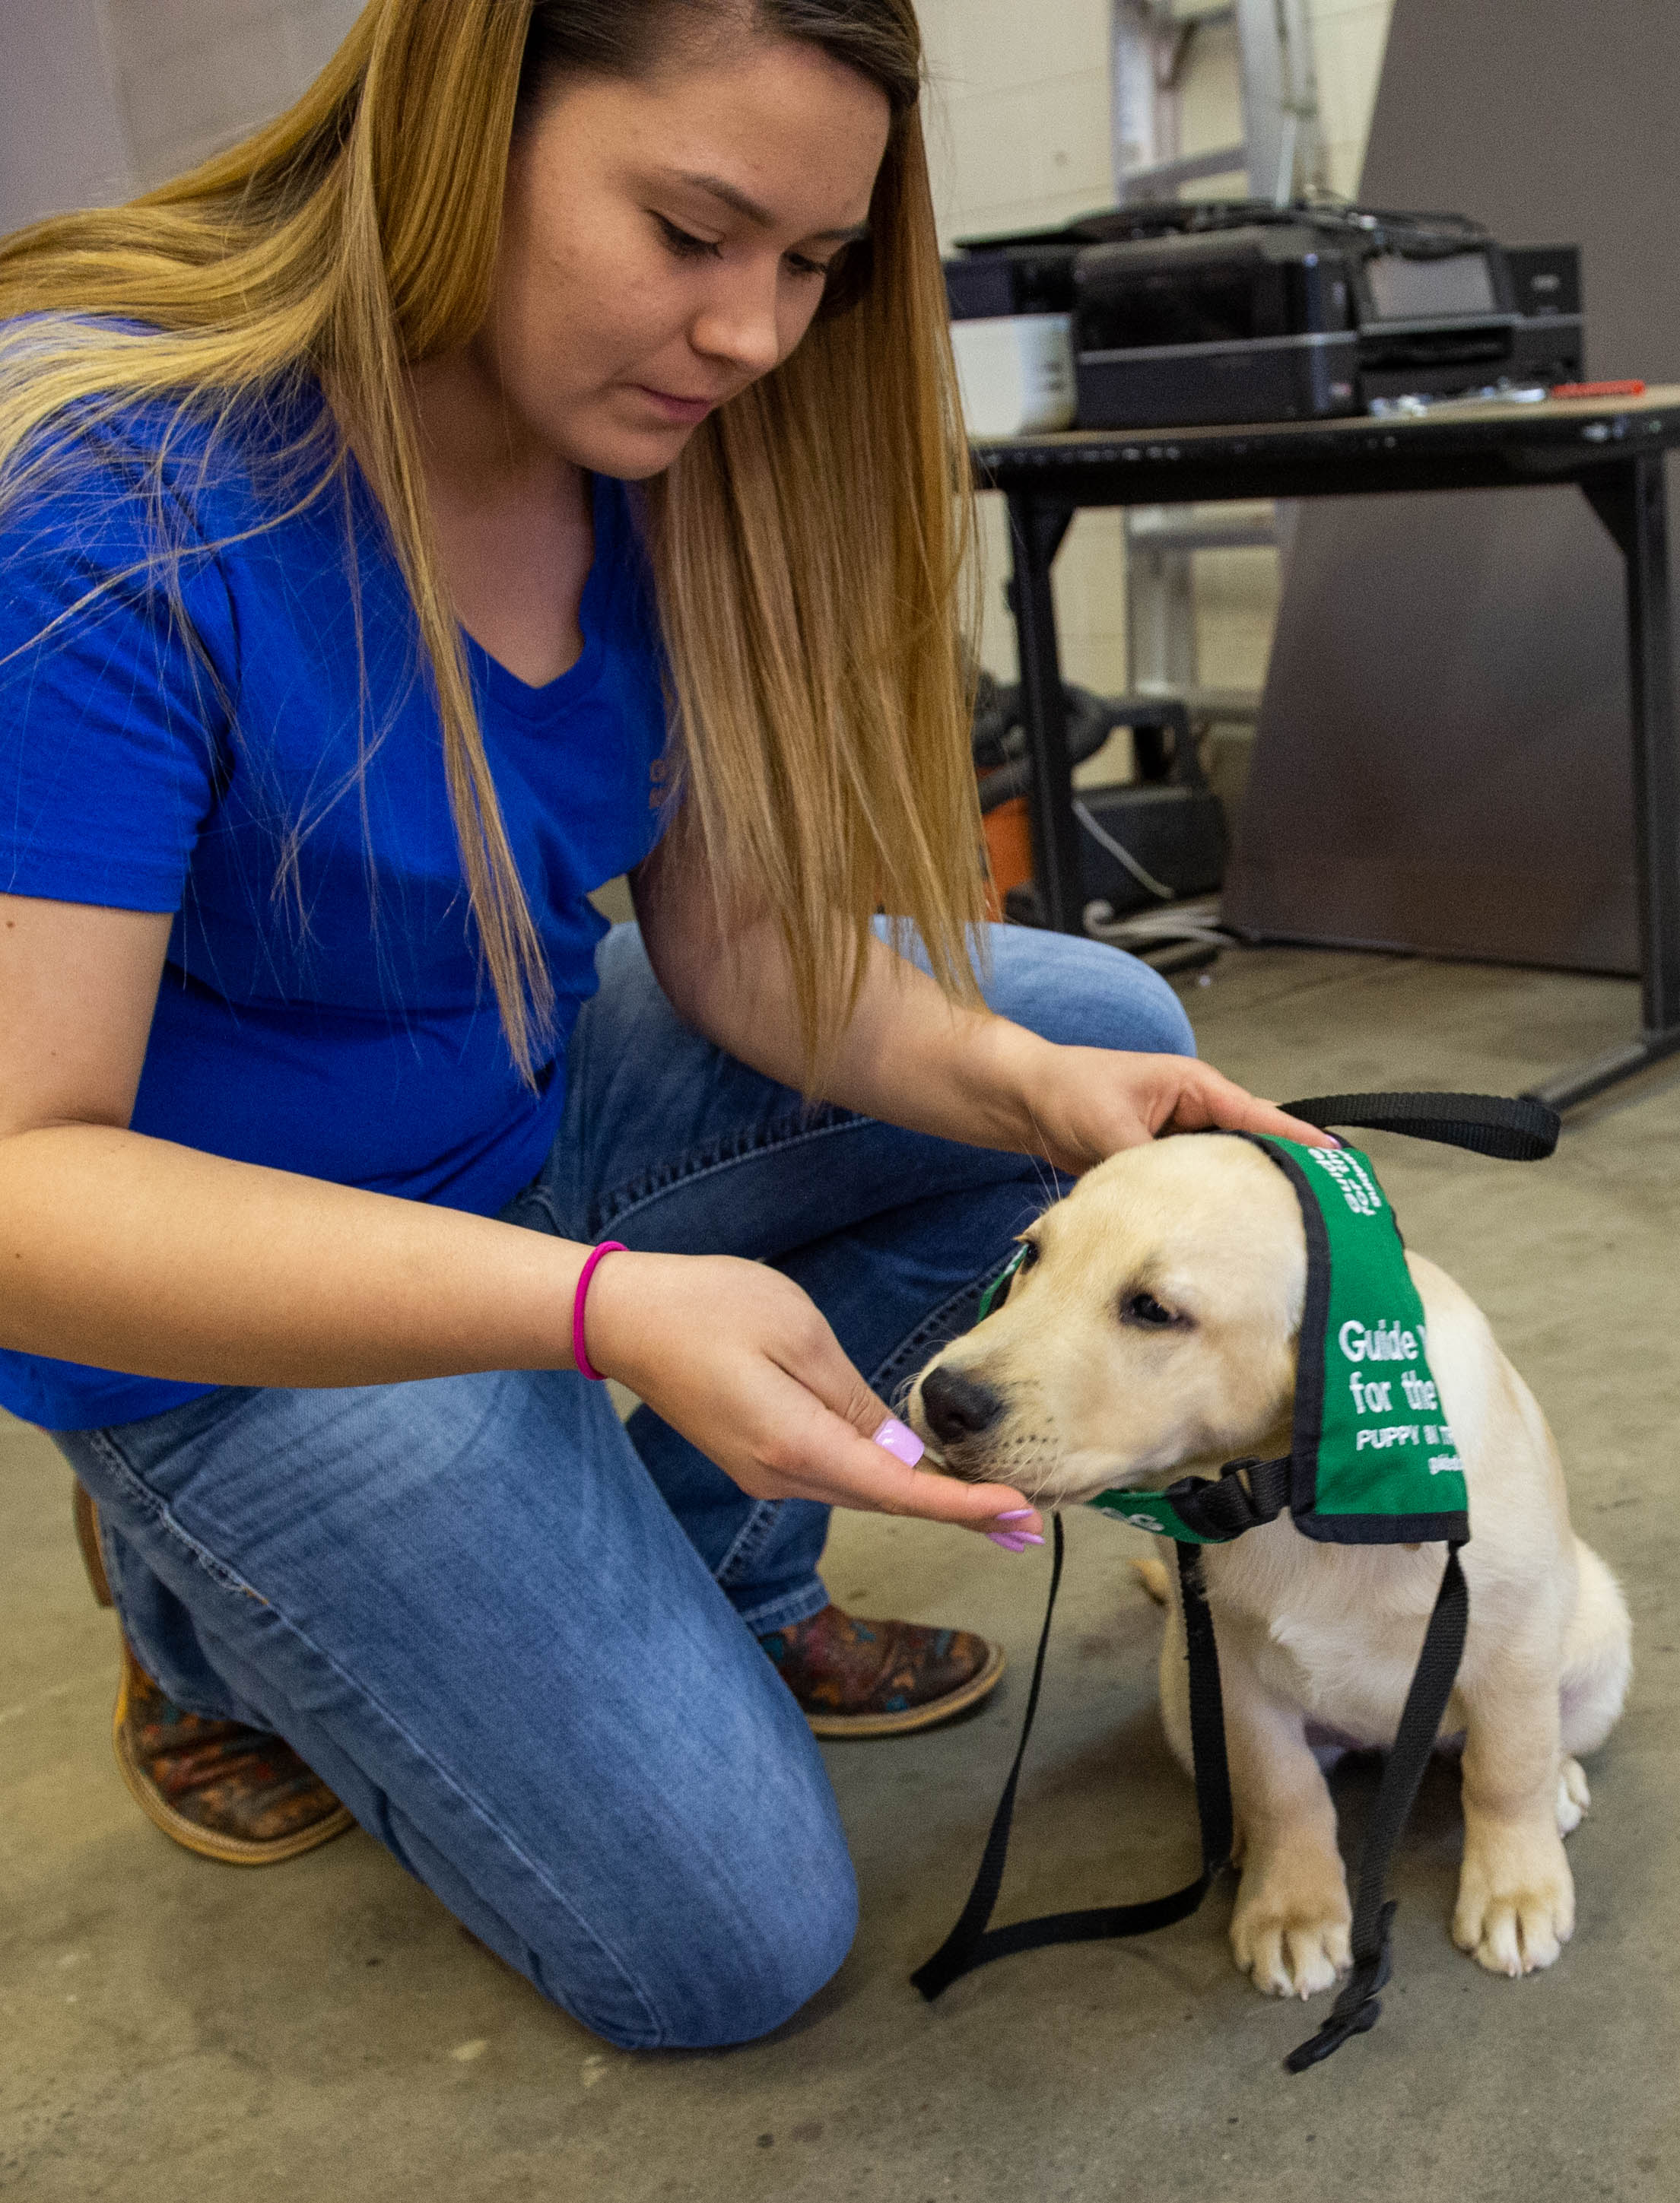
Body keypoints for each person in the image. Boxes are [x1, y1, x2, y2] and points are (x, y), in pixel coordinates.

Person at [0, 0, 1323, 2049]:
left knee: (1078, 1027)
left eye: (810, 265)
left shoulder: (644, 458)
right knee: (727, 1939)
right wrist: (602, 1308)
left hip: (516, 1104)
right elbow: (20, 1180)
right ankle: (198, 1613)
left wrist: (1027, 1091)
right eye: (693, 229)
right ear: (466, 118)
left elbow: (733, 948)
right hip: (210, 1274)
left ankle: (699, 1556)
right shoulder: (118, 518)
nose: (753, 336)